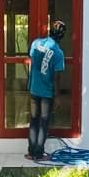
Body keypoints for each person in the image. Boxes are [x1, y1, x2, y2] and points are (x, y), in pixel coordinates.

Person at [26, 20, 66, 161]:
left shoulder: (36, 43)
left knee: (33, 119)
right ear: (61, 36)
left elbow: (31, 55)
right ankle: (39, 153)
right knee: (43, 122)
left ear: (50, 31)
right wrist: (57, 96)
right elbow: (56, 77)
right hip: (46, 92)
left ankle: (31, 152)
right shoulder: (58, 53)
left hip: (34, 88)